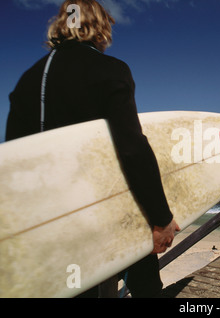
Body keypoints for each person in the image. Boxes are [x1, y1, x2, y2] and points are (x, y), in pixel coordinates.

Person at [6, 0, 180, 297]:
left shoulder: (27, 81)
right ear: (100, 29)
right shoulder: (110, 70)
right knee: (146, 286)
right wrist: (161, 218)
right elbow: (132, 148)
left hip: (50, 221)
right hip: (112, 209)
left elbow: (13, 161)